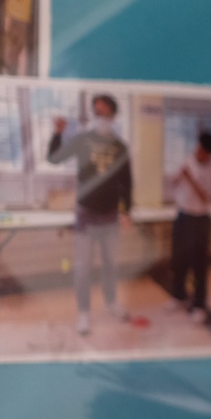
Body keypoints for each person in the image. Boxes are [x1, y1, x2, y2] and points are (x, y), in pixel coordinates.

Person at [47, 93, 132, 336]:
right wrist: (57, 134)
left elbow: (127, 182)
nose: (100, 116)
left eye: (104, 112)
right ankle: (84, 312)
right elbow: (54, 159)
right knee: (82, 268)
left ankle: (111, 303)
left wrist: (127, 211)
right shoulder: (83, 140)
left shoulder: (120, 147)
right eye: (97, 112)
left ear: (113, 115)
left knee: (111, 265)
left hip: (110, 218)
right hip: (86, 216)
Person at [168, 128, 211, 323]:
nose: (197, 152)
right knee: (178, 259)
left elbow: (206, 198)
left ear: (209, 153)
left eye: (201, 151)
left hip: (200, 219)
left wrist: (190, 179)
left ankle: (199, 306)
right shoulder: (189, 159)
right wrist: (178, 177)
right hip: (183, 215)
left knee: (199, 265)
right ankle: (178, 296)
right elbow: (174, 183)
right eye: (197, 148)